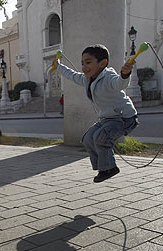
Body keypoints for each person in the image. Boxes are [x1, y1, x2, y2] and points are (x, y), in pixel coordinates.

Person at [55, 44, 138, 183]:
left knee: (100, 138)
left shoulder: (109, 76)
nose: (84, 67)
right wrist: (58, 66)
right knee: (87, 139)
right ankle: (102, 167)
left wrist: (125, 74)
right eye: (82, 63)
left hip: (123, 118)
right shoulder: (87, 79)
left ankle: (109, 168)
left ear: (103, 63)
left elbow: (120, 84)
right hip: (107, 119)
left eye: (88, 62)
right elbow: (73, 75)